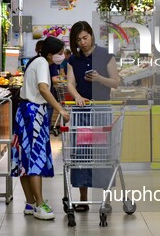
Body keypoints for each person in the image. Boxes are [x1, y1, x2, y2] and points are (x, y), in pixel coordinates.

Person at [11, 37, 69, 220]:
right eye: (60, 53)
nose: (62, 56)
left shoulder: (34, 61)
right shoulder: (43, 63)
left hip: (24, 111)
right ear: (51, 54)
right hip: (34, 113)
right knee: (35, 159)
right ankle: (40, 205)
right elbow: (43, 89)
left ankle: (30, 203)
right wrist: (60, 109)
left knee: (24, 160)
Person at [66, 21, 120, 211]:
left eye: (85, 38)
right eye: (78, 40)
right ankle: (82, 198)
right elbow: (70, 84)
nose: (82, 42)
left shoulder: (105, 55)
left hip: (101, 111)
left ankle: (106, 199)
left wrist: (99, 79)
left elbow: (115, 82)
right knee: (81, 154)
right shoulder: (73, 60)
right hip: (82, 113)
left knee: (102, 153)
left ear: (91, 35)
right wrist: (78, 97)